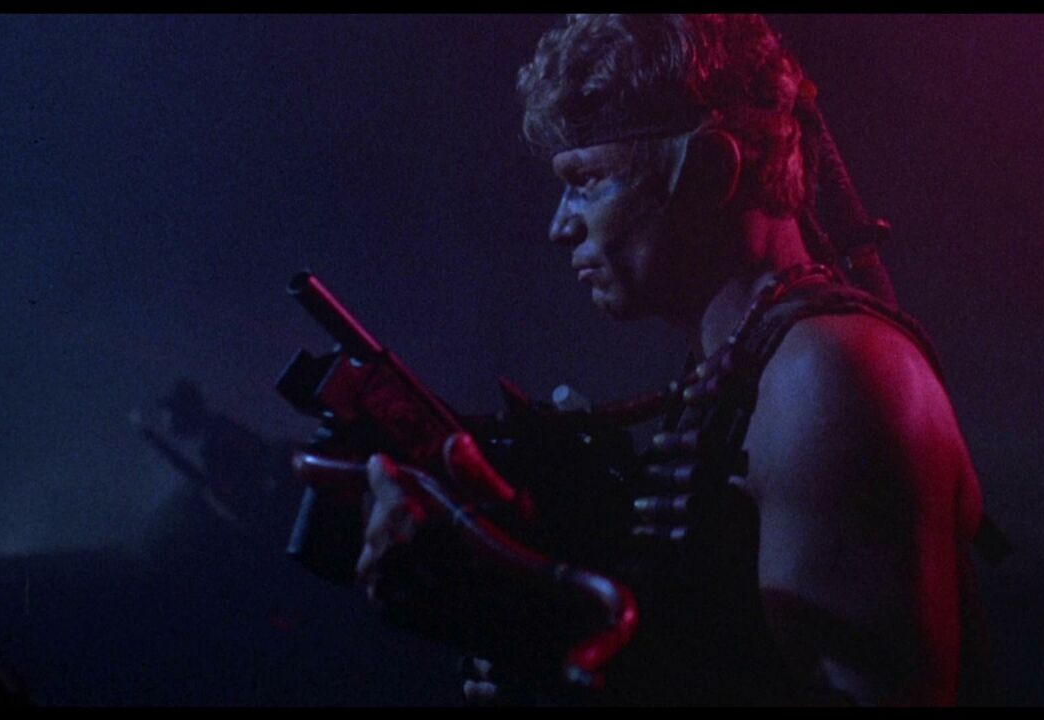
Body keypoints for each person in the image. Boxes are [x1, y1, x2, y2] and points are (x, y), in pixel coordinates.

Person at [326, 14, 987, 706]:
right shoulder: (748, 371)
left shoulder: (826, 376)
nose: (559, 226)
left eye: (588, 180)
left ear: (711, 171)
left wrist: (542, 630)